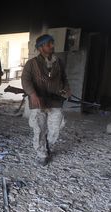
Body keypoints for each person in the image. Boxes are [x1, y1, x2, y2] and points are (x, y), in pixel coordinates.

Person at [21, 34, 71, 166]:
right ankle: (41, 154)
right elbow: (25, 80)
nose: (52, 46)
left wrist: (67, 89)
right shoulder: (31, 64)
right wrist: (32, 94)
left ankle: (48, 143)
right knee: (39, 128)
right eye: (49, 44)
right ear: (41, 47)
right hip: (38, 102)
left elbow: (64, 78)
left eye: (52, 43)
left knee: (56, 128)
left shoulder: (58, 62)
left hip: (55, 101)